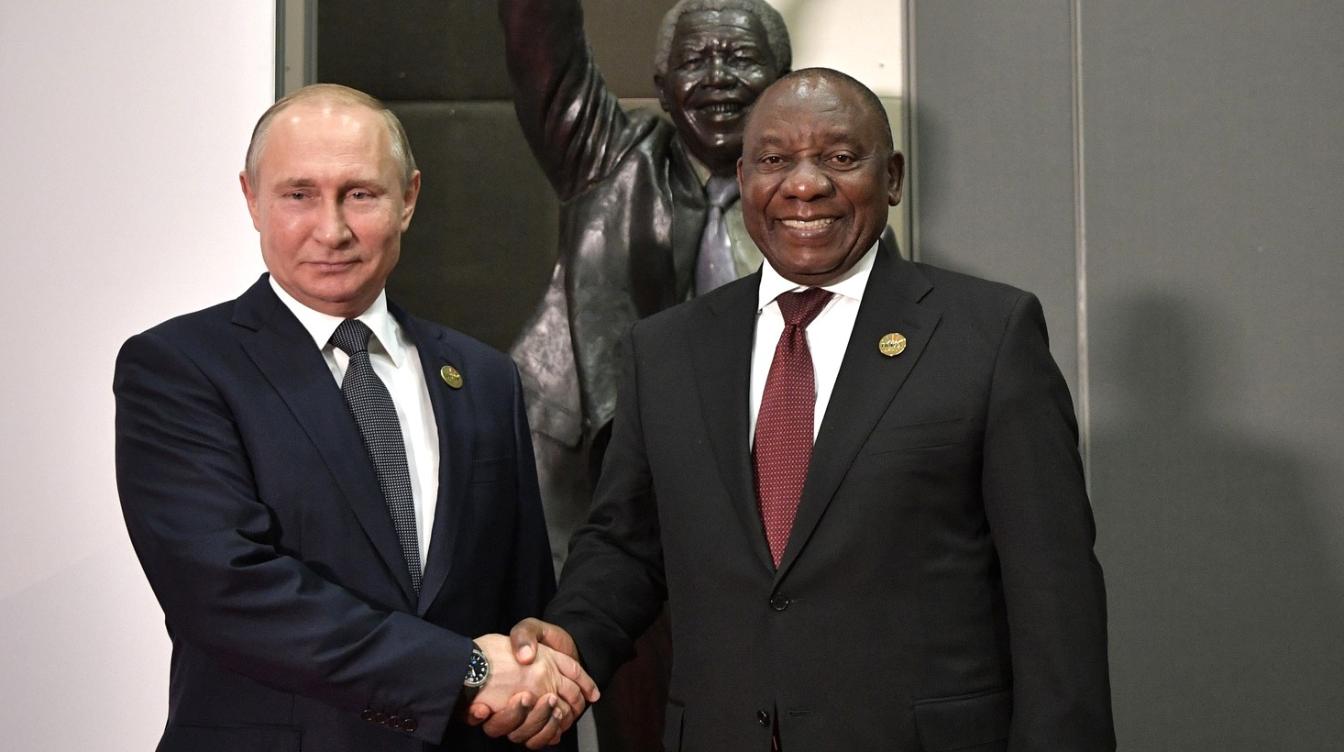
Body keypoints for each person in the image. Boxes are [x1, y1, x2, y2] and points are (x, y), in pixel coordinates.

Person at [495, 69, 1116, 750]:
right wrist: (571, 635)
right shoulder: (666, 350)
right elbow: (626, 544)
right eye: (774, 160)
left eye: (840, 157)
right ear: (744, 179)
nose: (805, 185)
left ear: (892, 177)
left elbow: (1054, 594)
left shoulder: (988, 336)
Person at [114, 83, 597, 752]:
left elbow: (522, 602)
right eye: (298, 194)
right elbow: (224, 589)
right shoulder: (179, 368)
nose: (332, 229)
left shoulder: (484, 378)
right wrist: (462, 670)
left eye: (361, 194)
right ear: (252, 199)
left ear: (409, 199)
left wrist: (532, 684)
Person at [498, 0, 792, 572]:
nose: (717, 77)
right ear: (662, 86)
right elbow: (539, 35)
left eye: (740, 58)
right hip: (597, 477)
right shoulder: (606, 156)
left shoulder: (818, 203)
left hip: (762, 496)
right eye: (695, 60)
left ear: (782, 80)